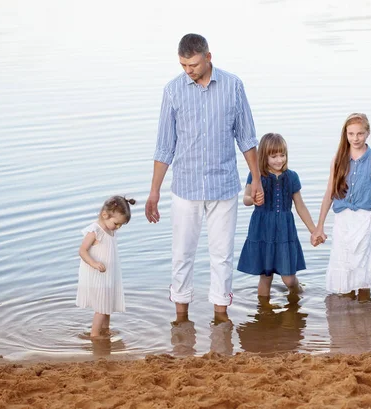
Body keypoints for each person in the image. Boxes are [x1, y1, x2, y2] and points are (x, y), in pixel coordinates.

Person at [145, 33, 264, 317]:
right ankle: (181, 315)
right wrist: (154, 191)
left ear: (208, 57)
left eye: (194, 65)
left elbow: (246, 138)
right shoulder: (172, 90)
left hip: (224, 186)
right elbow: (165, 146)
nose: (188, 71)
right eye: (183, 65)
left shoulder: (233, 86)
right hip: (185, 187)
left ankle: (221, 315)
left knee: (222, 256)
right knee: (182, 255)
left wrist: (257, 178)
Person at [311, 113, 371, 302]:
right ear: (345, 134)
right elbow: (329, 193)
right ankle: (346, 317)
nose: (355, 138)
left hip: (365, 217)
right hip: (343, 218)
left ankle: (364, 313)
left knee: (363, 266)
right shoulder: (338, 159)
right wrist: (319, 226)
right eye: (351, 134)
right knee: (344, 266)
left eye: (360, 134)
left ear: (368, 133)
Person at [237, 133, 318, 298]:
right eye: (273, 156)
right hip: (262, 229)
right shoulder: (256, 175)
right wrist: (252, 199)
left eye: (282, 155)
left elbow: (300, 206)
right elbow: (245, 199)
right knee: (265, 277)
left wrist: (314, 230)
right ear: (263, 156)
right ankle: (264, 314)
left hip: (284, 231)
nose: (279, 160)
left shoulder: (291, 177)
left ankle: (297, 295)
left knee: (288, 278)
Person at [76, 195, 135, 337]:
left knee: (107, 306)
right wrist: (94, 263)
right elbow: (82, 251)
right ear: (104, 215)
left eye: (121, 225)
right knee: (101, 309)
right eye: (116, 223)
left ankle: (105, 331)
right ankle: (95, 335)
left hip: (108, 276)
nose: (118, 227)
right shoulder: (95, 231)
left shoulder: (111, 230)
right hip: (97, 276)